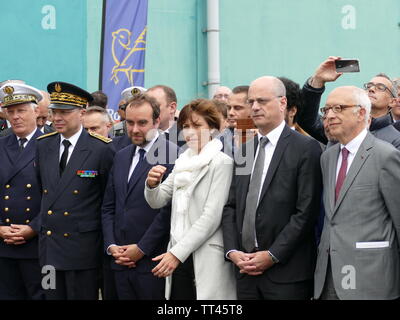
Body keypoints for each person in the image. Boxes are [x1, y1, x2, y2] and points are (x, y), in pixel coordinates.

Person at [222, 76, 322, 300]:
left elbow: (306, 212)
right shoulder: (245, 150)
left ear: (283, 103)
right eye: (251, 101)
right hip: (244, 271)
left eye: (262, 101)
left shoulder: (306, 148)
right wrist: (232, 252)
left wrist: (273, 255)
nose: (255, 107)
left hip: (286, 274)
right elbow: (231, 206)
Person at [145, 99, 236, 300]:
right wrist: (152, 184)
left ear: (212, 128)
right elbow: (158, 200)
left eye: (197, 125)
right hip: (177, 253)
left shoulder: (222, 163)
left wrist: (177, 253)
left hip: (204, 256)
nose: (189, 132)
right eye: (185, 126)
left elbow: (211, 217)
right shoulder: (183, 161)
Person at [314, 86, 400, 300]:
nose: (330, 115)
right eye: (326, 110)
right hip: (329, 276)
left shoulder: (385, 155)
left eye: (339, 108)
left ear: (362, 113)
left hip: (370, 277)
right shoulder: (328, 157)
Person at [33, 81, 115, 300]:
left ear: (82, 113)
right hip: (50, 248)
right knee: (50, 295)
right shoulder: (43, 145)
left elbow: (107, 200)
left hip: (82, 250)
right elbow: (44, 190)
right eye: (54, 112)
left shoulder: (101, 149)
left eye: (64, 112)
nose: (57, 118)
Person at [102, 94, 178, 300]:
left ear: (156, 121)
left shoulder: (174, 155)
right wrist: (111, 246)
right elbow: (109, 205)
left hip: (152, 263)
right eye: (130, 122)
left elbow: (168, 211)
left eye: (142, 123)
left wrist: (142, 248)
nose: (135, 129)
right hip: (118, 261)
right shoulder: (121, 155)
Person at [0, 82, 45, 300]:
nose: (16, 117)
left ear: (36, 111)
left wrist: (33, 227)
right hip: (3, 245)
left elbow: (58, 196)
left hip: (38, 245)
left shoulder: (52, 145)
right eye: (11, 112)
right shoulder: (1, 144)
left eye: (21, 110)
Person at [298, 56, 400, 149]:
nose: (372, 89)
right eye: (369, 86)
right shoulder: (341, 127)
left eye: (380, 87)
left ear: (393, 102)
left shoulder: (396, 141)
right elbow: (307, 120)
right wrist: (318, 80)